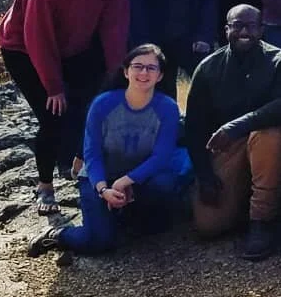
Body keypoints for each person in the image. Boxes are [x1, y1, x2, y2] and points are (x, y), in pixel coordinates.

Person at [0, 0, 129, 215]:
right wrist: (53, 86)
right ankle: (44, 186)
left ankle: (79, 164)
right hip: (23, 47)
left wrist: (117, 75)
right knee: (53, 114)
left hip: (72, 44)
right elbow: (37, 35)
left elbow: (114, 27)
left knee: (90, 103)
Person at [27, 45, 192, 258]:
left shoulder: (168, 107)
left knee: (163, 194)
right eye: (138, 66)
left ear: (160, 75)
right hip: (99, 178)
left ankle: (127, 216)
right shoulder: (103, 104)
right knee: (99, 242)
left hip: (140, 177)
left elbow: (161, 156)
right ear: (126, 71)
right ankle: (60, 234)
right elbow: (92, 154)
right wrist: (103, 189)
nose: (144, 73)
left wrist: (127, 180)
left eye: (151, 68)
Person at [187, 5, 281, 260]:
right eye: (237, 25)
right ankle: (249, 203)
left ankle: (263, 220)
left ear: (262, 30)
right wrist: (205, 175)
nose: (244, 31)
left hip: (274, 142)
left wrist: (238, 125)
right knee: (208, 225)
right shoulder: (208, 68)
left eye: (251, 25)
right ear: (226, 29)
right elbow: (194, 127)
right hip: (230, 148)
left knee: (266, 134)